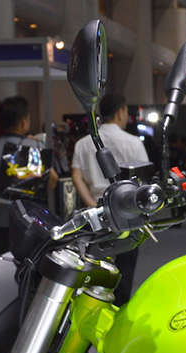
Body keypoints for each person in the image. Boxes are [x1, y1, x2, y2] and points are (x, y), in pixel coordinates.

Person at [71, 93, 149, 302]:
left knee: (91, 264)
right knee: (125, 266)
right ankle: (118, 308)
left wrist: (91, 204)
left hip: (93, 212)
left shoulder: (83, 143)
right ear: (120, 112)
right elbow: (142, 180)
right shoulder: (133, 142)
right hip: (126, 215)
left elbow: (76, 177)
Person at [0, 95, 58, 257]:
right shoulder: (35, 146)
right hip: (32, 218)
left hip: (1, 218)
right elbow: (52, 181)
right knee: (32, 262)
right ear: (23, 122)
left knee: (3, 262)